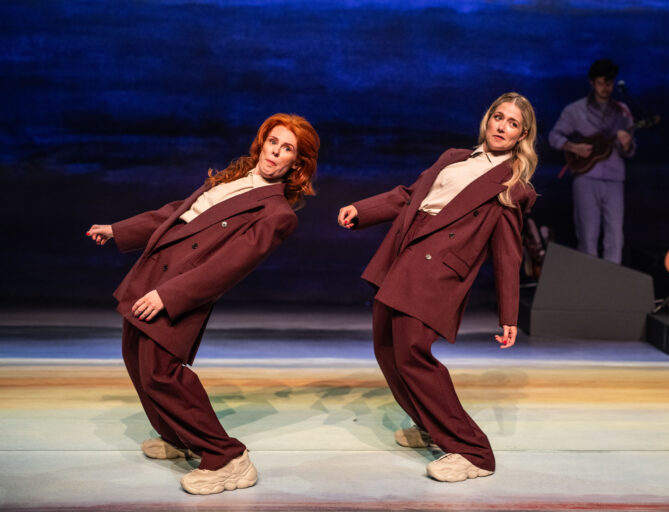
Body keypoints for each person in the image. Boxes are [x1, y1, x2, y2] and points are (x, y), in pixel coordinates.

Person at [87, 113, 319, 495]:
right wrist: (118, 230)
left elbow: (227, 267)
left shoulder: (276, 213)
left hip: (181, 287)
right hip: (154, 271)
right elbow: (176, 214)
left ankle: (227, 458)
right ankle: (178, 438)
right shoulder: (234, 177)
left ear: (298, 163)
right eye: (273, 142)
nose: (275, 153)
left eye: (287, 149)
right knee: (135, 357)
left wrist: (169, 295)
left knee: (161, 371)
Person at [337, 92, 537, 482]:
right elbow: (410, 197)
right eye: (498, 117)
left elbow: (508, 254)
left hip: (438, 269)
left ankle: (473, 451)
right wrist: (364, 209)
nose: (502, 127)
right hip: (404, 252)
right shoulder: (453, 157)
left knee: (412, 353)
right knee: (387, 348)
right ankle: (429, 425)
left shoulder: (513, 184)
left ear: (521, 135)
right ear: (487, 119)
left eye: (512, 123)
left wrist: (509, 314)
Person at [548, 58, 636, 264]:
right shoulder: (575, 110)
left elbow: (631, 150)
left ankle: (611, 286)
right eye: (601, 83)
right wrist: (573, 147)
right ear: (592, 83)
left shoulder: (622, 112)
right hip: (586, 177)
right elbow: (554, 136)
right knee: (588, 234)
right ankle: (588, 287)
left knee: (615, 235)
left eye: (609, 83)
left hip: (614, 179)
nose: (606, 87)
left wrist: (626, 144)